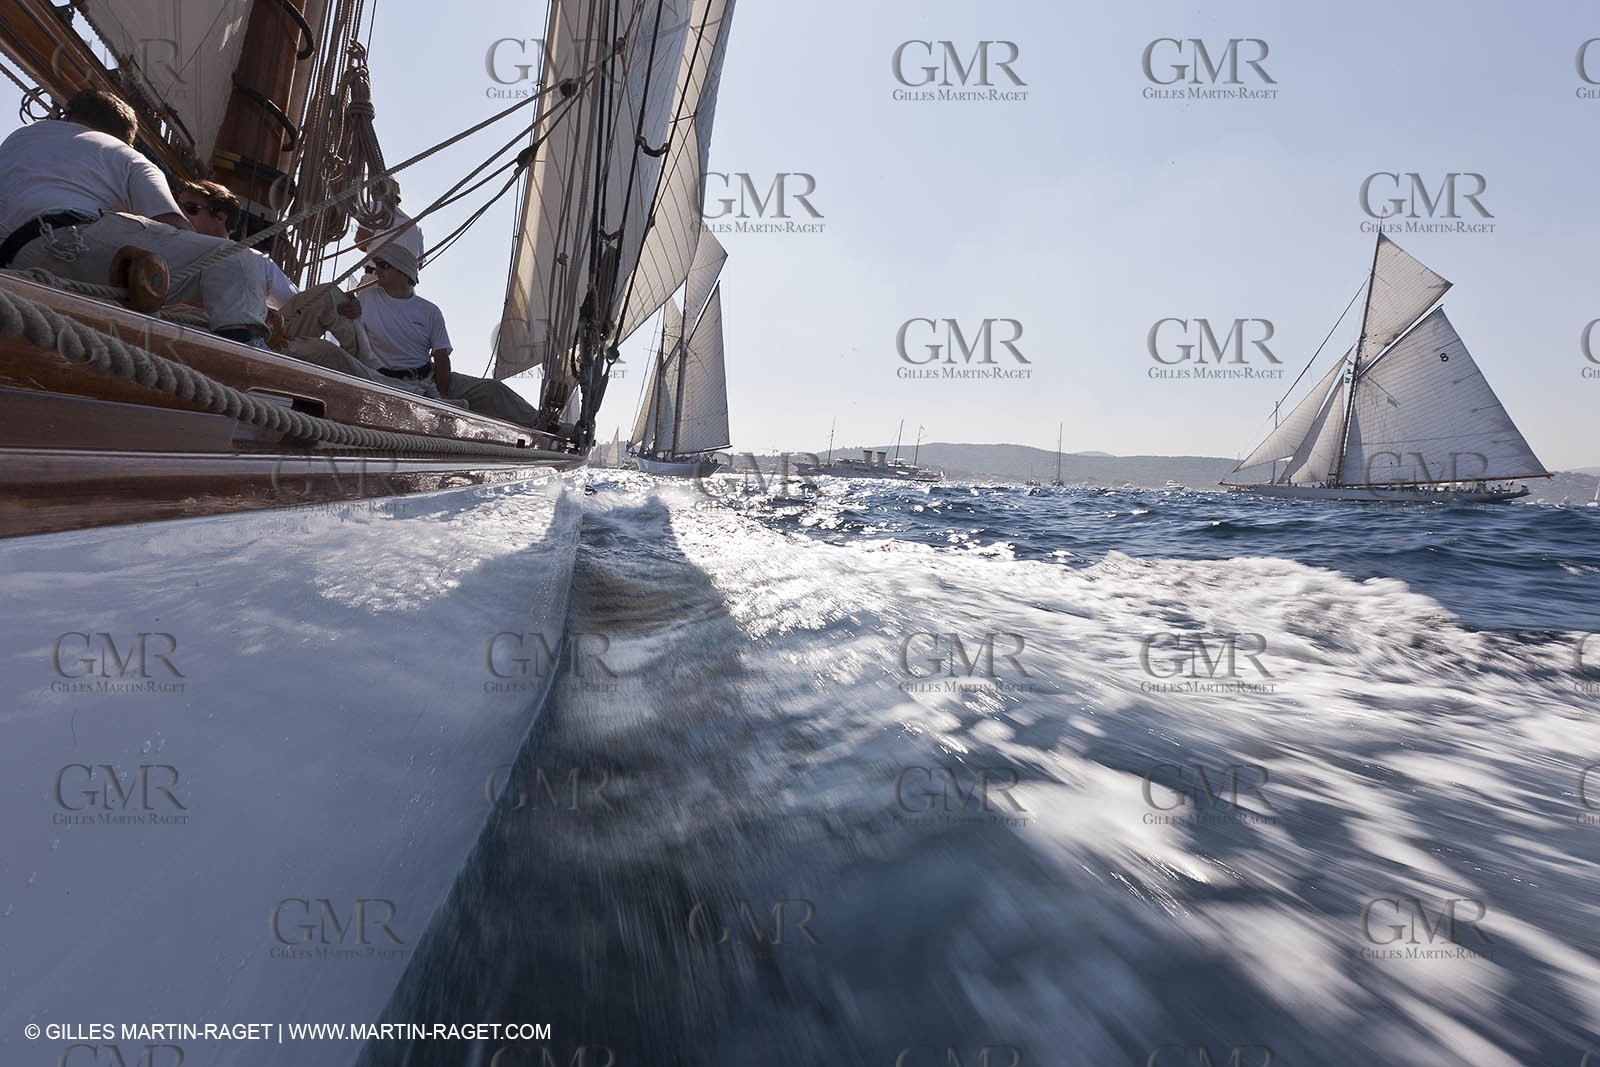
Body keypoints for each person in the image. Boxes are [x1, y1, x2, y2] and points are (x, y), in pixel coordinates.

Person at [0, 89, 266, 343]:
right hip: (74, 244)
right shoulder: (126, 156)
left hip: (11, 264)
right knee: (231, 257)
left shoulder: (19, 139)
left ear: (67, 116)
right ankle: (249, 361)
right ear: (126, 136)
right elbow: (172, 223)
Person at [355, 242, 453, 399]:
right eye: (377, 265)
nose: (377, 270)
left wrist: (443, 395)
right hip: (380, 379)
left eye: (384, 265)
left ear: (404, 273)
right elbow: (353, 339)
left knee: (493, 391)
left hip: (422, 381)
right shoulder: (366, 298)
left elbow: (441, 356)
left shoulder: (430, 311)